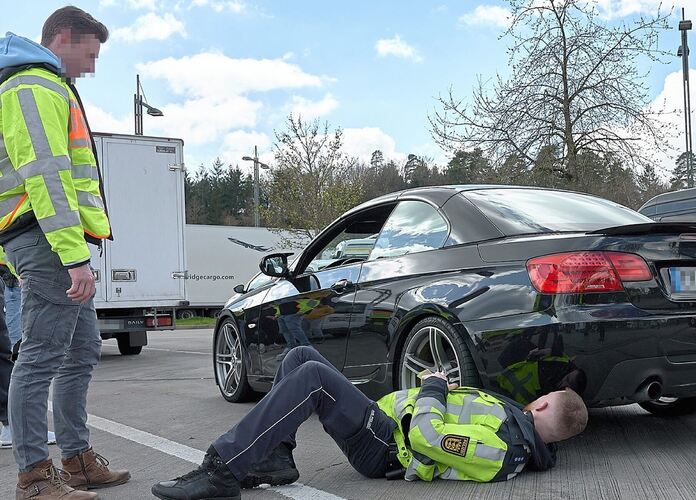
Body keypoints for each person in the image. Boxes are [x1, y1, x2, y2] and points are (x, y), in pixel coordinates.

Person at [151, 346, 588, 500]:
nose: (536, 398)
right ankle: (277, 460)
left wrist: (435, 389)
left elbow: (427, 437)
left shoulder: (504, 447)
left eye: (543, 398)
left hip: (385, 449)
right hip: (384, 427)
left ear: (545, 409)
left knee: (313, 379)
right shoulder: (512, 428)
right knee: (300, 358)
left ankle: (222, 470)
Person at [0, 6, 130, 499]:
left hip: (58, 240)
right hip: (47, 241)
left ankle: (75, 460)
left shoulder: (49, 85)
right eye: (89, 54)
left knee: (79, 352)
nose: (92, 67)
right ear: (63, 37)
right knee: (39, 357)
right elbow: (47, 176)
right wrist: (73, 255)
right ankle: (34, 477)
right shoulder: (32, 85)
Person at [0, 251, 56, 449]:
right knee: (9, 352)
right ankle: (13, 427)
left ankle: (12, 426)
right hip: (10, 274)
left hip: (9, 273)